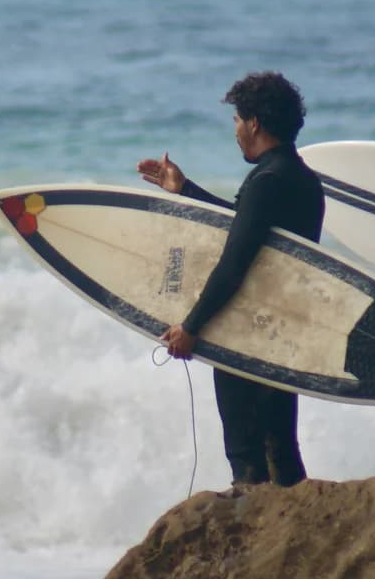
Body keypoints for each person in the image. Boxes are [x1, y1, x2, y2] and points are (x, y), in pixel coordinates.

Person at [136, 71, 324, 487]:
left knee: (247, 456)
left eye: (237, 120)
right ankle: (293, 534)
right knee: (281, 446)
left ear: (254, 122)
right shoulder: (302, 179)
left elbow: (235, 261)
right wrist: (185, 189)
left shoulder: (266, 181)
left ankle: (257, 536)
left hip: (249, 333)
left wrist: (192, 326)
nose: (236, 131)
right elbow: (248, 227)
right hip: (284, 330)